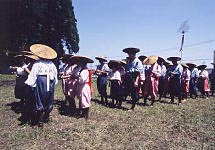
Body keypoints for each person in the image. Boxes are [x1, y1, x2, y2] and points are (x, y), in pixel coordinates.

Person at [25, 44, 58, 127]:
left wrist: (31, 83)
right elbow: (55, 74)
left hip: (41, 81)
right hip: (50, 82)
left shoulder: (38, 63)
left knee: (40, 98)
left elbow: (33, 74)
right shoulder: (52, 64)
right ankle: (45, 117)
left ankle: (40, 121)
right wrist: (54, 82)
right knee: (49, 98)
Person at [70, 55, 94, 121]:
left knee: (85, 100)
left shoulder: (85, 70)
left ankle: (86, 115)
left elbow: (82, 80)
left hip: (84, 86)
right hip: (81, 86)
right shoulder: (80, 70)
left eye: (80, 62)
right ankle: (83, 114)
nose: (79, 63)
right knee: (81, 100)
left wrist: (75, 77)